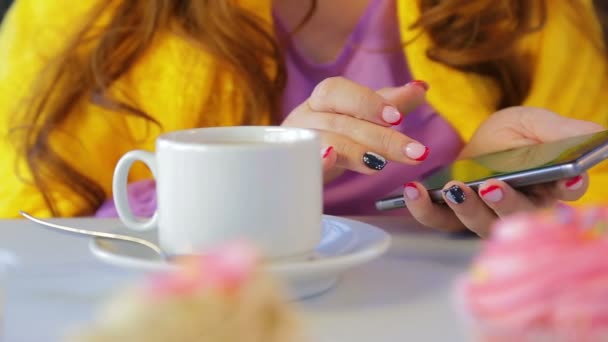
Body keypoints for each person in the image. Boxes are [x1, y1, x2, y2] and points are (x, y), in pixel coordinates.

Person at [0, 0, 606, 236]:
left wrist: (502, 185)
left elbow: (592, 218)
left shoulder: (535, 11)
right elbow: (21, 231)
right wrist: (250, 180)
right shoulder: (79, 14)